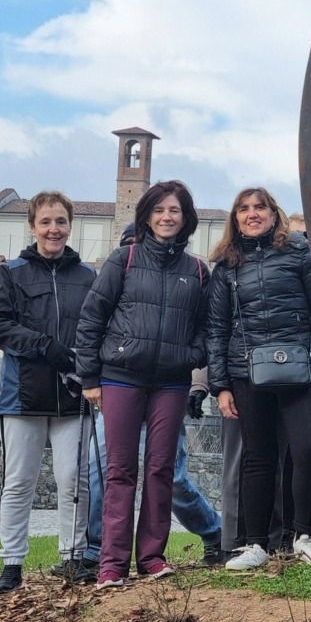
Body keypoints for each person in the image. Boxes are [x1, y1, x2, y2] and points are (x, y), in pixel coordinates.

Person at [75, 180, 212, 588]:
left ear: (185, 218)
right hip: (120, 380)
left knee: (160, 470)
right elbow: (91, 319)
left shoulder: (198, 270)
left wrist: (191, 357)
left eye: (175, 211)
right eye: (160, 210)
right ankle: (111, 563)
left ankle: (151, 557)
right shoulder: (124, 259)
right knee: (119, 470)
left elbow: (207, 329)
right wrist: (89, 378)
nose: (167, 217)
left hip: (171, 384)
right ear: (148, 216)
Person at [206, 187, 311, 571]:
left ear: (273, 213)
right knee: (258, 457)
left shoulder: (299, 252)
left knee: (308, 448)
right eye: (244, 209)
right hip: (245, 373)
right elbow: (216, 329)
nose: (253, 214)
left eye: (260, 207)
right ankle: (255, 544)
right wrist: (219, 386)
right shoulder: (225, 266)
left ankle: (306, 536)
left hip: (301, 368)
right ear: (235, 218)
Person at [0, 191, 97, 593]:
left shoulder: (88, 277)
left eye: (61, 221)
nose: (54, 229)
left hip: (73, 397)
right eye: (46, 221)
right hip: (21, 397)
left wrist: (87, 367)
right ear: (32, 226)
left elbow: (96, 330)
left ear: (70, 226)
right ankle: (12, 564)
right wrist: (44, 346)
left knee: (74, 481)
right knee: (19, 482)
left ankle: (73, 557)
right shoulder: (11, 272)